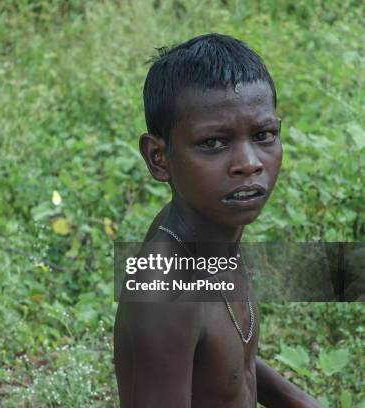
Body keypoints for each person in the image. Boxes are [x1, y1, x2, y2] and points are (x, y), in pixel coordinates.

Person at [114, 33, 323, 407]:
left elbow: (222, 359)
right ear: (159, 158)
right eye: (213, 143)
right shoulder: (163, 295)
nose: (249, 163)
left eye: (264, 135)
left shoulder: (209, 230)